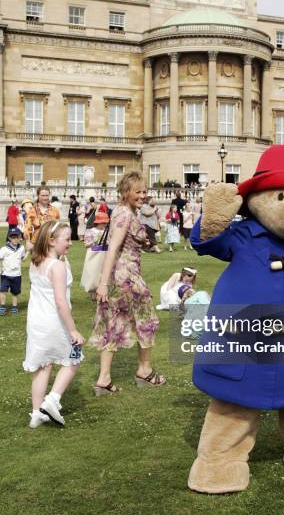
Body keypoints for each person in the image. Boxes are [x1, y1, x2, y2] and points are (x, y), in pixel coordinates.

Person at [90, 171, 165, 394]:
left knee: (113, 324)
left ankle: (104, 379)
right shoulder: (125, 215)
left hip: (118, 277)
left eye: (144, 191)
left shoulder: (123, 212)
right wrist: (102, 284)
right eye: (138, 191)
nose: (143, 195)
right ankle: (145, 370)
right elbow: (112, 248)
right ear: (125, 192)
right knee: (147, 320)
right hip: (127, 276)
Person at [23, 220, 85, 428]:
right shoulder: (57, 266)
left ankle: (36, 413)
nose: (70, 243)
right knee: (74, 359)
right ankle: (52, 400)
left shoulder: (35, 261)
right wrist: (73, 330)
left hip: (36, 322)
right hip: (54, 322)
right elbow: (60, 301)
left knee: (43, 365)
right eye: (66, 239)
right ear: (51, 241)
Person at [0, 227, 28, 316]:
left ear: (20, 237)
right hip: (6, 274)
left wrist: (29, 251)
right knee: (2, 291)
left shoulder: (22, 248)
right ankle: (2, 306)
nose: (15, 239)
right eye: (13, 237)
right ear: (9, 237)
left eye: (17, 237)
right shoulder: (4, 249)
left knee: (15, 293)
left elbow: (23, 259)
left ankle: (14, 307)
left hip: (17, 275)